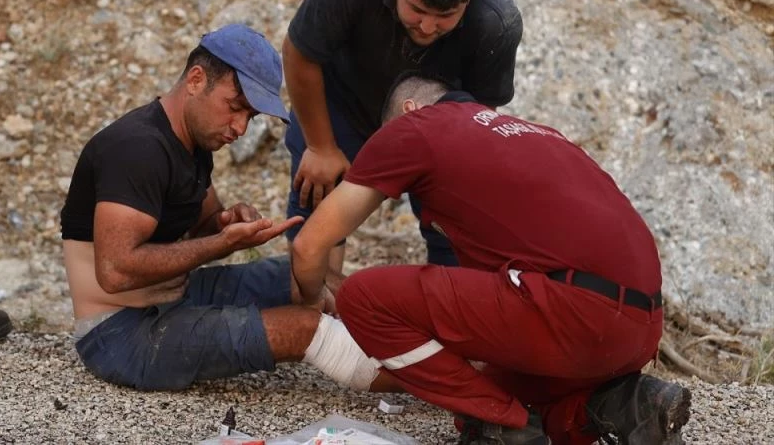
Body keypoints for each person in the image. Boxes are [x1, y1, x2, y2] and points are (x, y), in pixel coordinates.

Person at [291, 74, 692, 445]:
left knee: (364, 296)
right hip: (638, 330)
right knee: (491, 391)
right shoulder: (539, 134)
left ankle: (509, 427)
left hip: (577, 312)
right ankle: (628, 405)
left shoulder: (415, 128)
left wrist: (312, 303)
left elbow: (309, 247)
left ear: (410, 110)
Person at [59, 23, 391, 394]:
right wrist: (222, 243)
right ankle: (436, 383)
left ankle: (426, 343)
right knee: (302, 328)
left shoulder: (194, 144)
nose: (240, 128)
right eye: (235, 108)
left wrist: (226, 222)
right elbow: (116, 272)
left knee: (311, 273)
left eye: (250, 116)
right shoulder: (136, 148)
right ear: (196, 80)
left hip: (176, 297)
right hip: (119, 334)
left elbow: (203, 226)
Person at [283, 0, 523, 271]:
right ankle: (315, 312)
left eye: (444, 17)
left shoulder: (496, 23)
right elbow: (299, 54)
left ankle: (443, 311)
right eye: (417, 9)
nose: (427, 27)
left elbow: (480, 115)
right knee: (317, 202)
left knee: (455, 227)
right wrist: (320, 146)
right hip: (345, 106)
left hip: (436, 131)